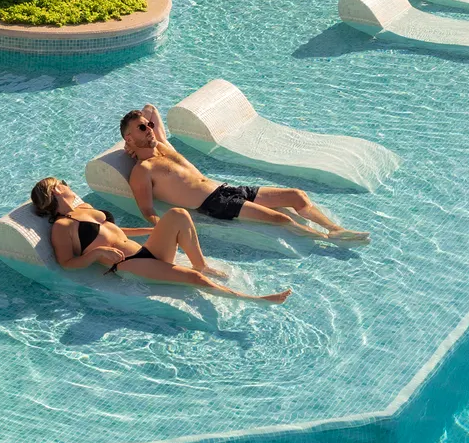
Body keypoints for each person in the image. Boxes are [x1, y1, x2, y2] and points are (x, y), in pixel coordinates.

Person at [121, 104, 370, 243]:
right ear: (130, 137)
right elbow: (148, 211)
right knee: (280, 219)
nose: (150, 129)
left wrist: (137, 135)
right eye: (143, 128)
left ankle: (334, 228)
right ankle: (324, 238)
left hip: (227, 188)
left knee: (297, 196)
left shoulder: (162, 147)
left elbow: (151, 109)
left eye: (149, 126)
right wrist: (167, 232)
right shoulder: (142, 171)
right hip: (213, 203)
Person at [29, 177, 291, 303]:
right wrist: (96, 255)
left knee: (177, 214)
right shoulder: (62, 227)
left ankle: (200, 263)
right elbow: (66, 263)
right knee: (194, 281)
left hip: (144, 250)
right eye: (62, 183)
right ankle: (255, 299)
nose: (67, 184)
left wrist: (150, 230)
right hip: (126, 264)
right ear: (55, 190)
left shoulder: (85, 208)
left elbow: (115, 233)